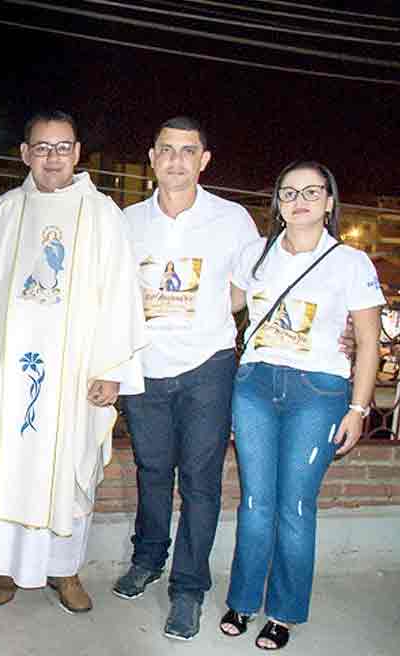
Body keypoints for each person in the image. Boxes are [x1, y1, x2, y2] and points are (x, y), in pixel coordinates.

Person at [0, 110, 146, 614]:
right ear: (24, 153)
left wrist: (111, 369)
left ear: (78, 152)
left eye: (62, 147)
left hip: (75, 372)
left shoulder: (102, 214)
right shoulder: (4, 212)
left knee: (66, 463)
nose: (52, 157)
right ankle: (2, 570)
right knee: (8, 460)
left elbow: (122, 293)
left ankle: (64, 569)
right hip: (8, 372)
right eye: (41, 147)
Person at [221, 161, 382, 651]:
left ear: (330, 203)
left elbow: (371, 343)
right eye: (289, 193)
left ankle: (285, 612)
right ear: (278, 204)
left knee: (294, 504)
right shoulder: (256, 254)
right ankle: (244, 600)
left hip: (319, 392)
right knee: (254, 501)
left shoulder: (352, 263)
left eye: (313, 192)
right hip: (254, 386)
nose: (300, 200)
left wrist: (358, 409)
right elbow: (227, 304)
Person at [116, 117, 259, 640]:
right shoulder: (127, 221)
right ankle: (148, 559)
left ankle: (189, 588)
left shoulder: (233, 219)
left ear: (204, 160)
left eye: (188, 151)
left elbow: (248, 288)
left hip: (208, 367)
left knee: (200, 482)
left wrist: (207, 318)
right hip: (146, 366)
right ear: (152, 157)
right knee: (151, 471)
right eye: (167, 151)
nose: (177, 160)